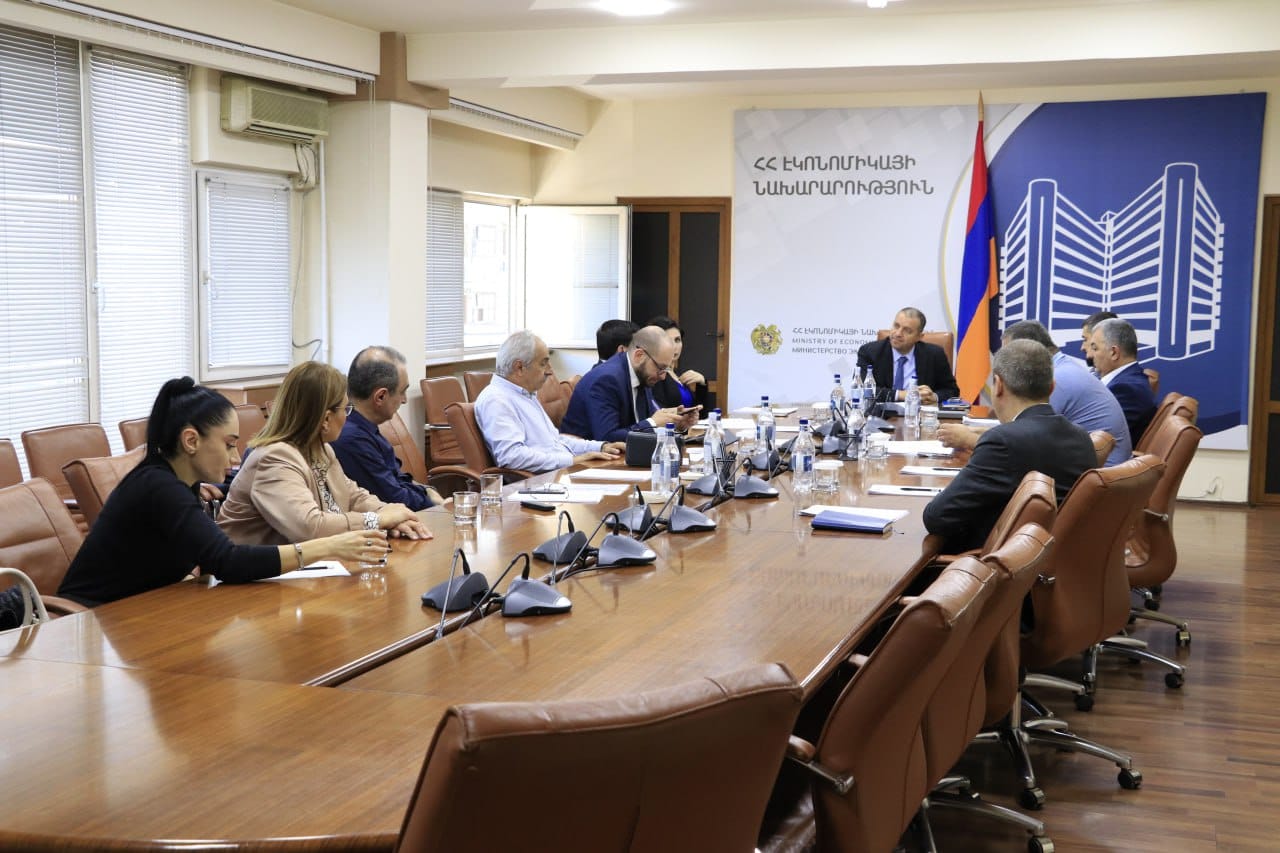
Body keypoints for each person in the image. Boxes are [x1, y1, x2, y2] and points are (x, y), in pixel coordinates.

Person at [56, 377, 389, 607]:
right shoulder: (159, 488)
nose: (235, 458)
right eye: (229, 444)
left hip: (142, 614)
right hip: (92, 623)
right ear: (191, 440)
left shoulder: (181, 486)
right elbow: (228, 561)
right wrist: (328, 546)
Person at [218, 361, 431, 547]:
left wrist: (392, 514)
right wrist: (377, 520)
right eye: (345, 409)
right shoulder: (274, 458)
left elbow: (353, 496)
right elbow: (309, 527)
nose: (347, 417)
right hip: (254, 577)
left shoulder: (321, 448)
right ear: (326, 419)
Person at [923, 340, 1096, 554]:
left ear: (998, 385)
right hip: (1054, 559)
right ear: (1051, 387)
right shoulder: (1081, 436)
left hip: (994, 562)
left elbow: (936, 518)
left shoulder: (1002, 442)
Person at [940, 320, 1132, 466]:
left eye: (1009, 354)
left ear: (1028, 350)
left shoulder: (1058, 378)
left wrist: (969, 438)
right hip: (1088, 472)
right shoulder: (1061, 367)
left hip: (1094, 479)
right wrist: (974, 432)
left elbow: (1021, 443)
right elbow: (1021, 434)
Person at [475, 330, 624, 473]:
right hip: (539, 482)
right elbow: (512, 456)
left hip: (559, 474)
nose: (550, 371)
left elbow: (555, 441)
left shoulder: (525, 394)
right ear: (519, 367)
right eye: (543, 363)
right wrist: (572, 460)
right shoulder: (496, 400)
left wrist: (600, 447)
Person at [331, 346, 442, 510]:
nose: (404, 400)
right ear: (380, 396)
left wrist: (427, 490)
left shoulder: (365, 427)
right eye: (402, 392)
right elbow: (394, 499)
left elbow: (398, 479)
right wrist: (431, 500)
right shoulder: (352, 439)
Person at [562, 325, 700, 442]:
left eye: (667, 370)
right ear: (639, 355)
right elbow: (607, 437)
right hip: (585, 460)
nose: (663, 377)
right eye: (660, 368)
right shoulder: (606, 380)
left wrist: (675, 424)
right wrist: (653, 422)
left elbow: (641, 424)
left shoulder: (642, 374)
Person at [855, 307, 959, 406]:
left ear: (919, 337)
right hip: (881, 414)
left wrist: (933, 397)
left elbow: (951, 390)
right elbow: (862, 388)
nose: (898, 333)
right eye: (896, 326)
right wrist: (901, 394)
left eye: (907, 330)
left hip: (919, 413)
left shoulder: (934, 354)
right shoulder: (870, 352)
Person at [1087, 318, 1157, 444]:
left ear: (1114, 352)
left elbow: (1096, 436)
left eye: (1095, 348)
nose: (1090, 355)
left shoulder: (1126, 389)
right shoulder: (1127, 381)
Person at [645, 315, 708, 410]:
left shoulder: (676, 373)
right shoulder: (654, 375)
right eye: (668, 341)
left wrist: (701, 384)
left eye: (677, 340)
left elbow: (699, 412)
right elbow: (661, 411)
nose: (674, 346)